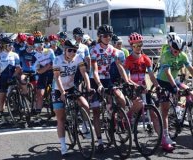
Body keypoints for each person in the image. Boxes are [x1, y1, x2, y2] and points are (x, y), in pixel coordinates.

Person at [157, 32, 193, 151]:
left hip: (175, 79)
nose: (176, 53)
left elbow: (190, 68)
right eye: (174, 50)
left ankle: (189, 116)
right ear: (171, 47)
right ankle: (166, 136)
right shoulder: (166, 55)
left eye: (178, 51)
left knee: (191, 93)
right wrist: (175, 87)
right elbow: (167, 73)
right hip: (163, 81)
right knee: (165, 110)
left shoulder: (183, 55)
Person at [90, 24, 129, 153]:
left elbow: (119, 66)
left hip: (107, 79)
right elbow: (94, 70)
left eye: (110, 36)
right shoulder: (94, 50)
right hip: (95, 80)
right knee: (96, 111)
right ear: (100, 37)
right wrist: (99, 84)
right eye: (105, 36)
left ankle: (117, 119)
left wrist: (127, 81)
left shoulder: (112, 49)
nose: (108, 38)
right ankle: (100, 141)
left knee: (121, 98)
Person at [52, 39, 92, 156]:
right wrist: (62, 92)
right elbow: (57, 77)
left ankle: (84, 126)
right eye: (70, 50)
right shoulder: (57, 59)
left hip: (71, 87)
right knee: (61, 118)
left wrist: (89, 87)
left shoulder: (79, 58)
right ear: (65, 50)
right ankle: (63, 146)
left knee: (85, 105)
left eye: (74, 50)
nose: (72, 53)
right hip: (58, 89)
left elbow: (84, 73)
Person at [124, 32, 160, 123]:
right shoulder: (128, 60)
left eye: (140, 44)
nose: (138, 47)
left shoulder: (146, 58)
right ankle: (128, 116)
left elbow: (151, 76)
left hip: (143, 88)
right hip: (133, 87)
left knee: (154, 113)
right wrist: (136, 85)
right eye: (135, 45)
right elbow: (127, 78)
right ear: (131, 46)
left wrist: (158, 86)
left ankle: (163, 136)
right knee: (139, 103)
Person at [0, 37, 22, 124]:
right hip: (3, 78)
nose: (11, 46)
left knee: (20, 89)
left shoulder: (15, 55)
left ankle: (21, 107)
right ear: (4, 45)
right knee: (2, 97)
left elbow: (18, 68)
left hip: (12, 76)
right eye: (9, 45)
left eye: (12, 45)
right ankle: (2, 114)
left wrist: (14, 76)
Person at [34, 36, 55, 116]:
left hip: (52, 73)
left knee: (55, 91)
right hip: (42, 75)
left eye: (40, 44)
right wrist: (47, 66)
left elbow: (55, 64)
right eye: (36, 45)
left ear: (44, 44)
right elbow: (39, 71)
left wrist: (46, 67)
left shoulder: (49, 51)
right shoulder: (35, 56)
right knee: (40, 93)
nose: (39, 47)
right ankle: (38, 112)